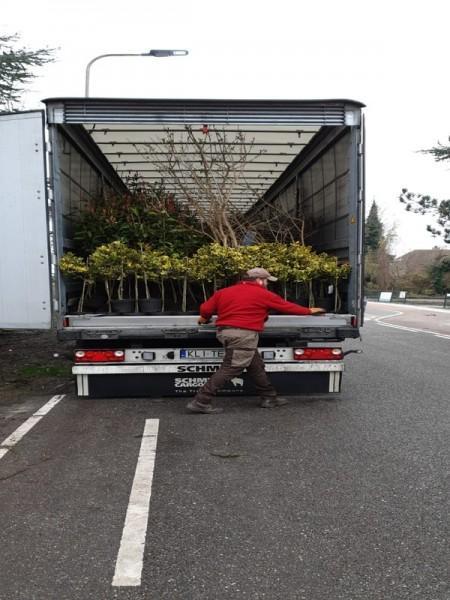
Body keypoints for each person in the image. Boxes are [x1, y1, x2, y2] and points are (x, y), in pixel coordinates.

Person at [186, 267, 325, 414]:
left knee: (255, 365)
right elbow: (287, 307)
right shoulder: (263, 293)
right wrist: (308, 311)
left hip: (225, 332)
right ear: (259, 280)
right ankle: (201, 401)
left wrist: (204, 317)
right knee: (231, 367)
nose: (267, 284)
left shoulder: (224, 292)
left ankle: (269, 397)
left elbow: (206, 308)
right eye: (266, 281)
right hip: (243, 334)